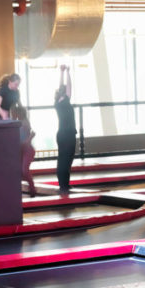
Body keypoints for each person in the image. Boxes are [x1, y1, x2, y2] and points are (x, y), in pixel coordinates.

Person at [54, 65, 76, 195]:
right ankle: (64, 184)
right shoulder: (65, 101)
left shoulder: (57, 101)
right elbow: (68, 86)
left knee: (63, 158)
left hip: (62, 134)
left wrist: (62, 73)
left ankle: (64, 184)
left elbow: (63, 86)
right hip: (68, 134)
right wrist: (67, 72)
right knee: (67, 159)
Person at [11, 105, 36, 197]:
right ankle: (29, 189)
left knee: (24, 171)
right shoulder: (16, 122)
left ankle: (32, 189)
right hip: (21, 150)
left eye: (14, 113)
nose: (13, 115)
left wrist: (28, 140)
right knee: (21, 172)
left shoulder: (24, 122)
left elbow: (31, 134)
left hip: (27, 150)